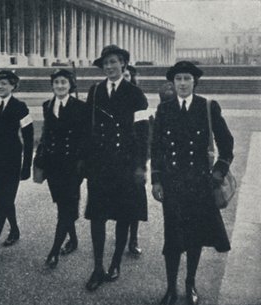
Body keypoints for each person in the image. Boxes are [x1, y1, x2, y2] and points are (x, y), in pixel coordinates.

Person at [151, 61, 233, 305]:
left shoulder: (207, 107)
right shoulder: (164, 109)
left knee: (195, 237)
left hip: (199, 184)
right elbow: (155, 148)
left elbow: (227, 145)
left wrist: (217, 174)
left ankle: (190, 283)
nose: (183, 83)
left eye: (187, 78)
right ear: (173, 83)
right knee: (173, 239)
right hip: (173, 184)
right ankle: (170, 288)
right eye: (178, 79)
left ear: (194, 82)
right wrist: (156, 180)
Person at [84, 45, 148, 291]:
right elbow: (87, 129)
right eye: (105, 64)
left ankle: (115, 263)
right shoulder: (95, 91)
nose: (109, 67)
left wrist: (141, 166)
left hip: (126, 164)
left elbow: (143, 134)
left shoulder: (135, 94)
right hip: (100, 165)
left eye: (113, 62)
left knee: (123, 215)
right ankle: (98, 266)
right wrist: (85, 161)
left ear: (123, 63)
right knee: (97, 217)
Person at [34, 69, 89, 269]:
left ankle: (54, 251)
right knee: (63, 205)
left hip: (72, 166)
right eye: (56, 82)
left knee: (66, 208)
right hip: (52, 165)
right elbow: (47, 133)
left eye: (63, 82)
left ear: (70, 85)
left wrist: (82, 162)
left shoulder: (80, 107)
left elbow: (85, 137)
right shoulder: (47, 105)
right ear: (52, 85)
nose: (59, 86)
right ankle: (73, 240)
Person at [0, 70, 34, 260]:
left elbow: (29, 139)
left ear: (13, 85)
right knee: (5, 200)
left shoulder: (20, 107)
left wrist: (27, 165)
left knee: (2, 202)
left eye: (4, 83)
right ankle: (14, 229)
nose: (0, 87)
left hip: (12, 162)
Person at [122, 65, 149, 256]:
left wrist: (141, 164)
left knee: (134, 199)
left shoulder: (138, 97)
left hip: (132, 156)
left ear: (131, 77)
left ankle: (133, 238)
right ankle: (122, 235)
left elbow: (144, 134)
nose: (123, 78)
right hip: (115, 157)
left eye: (126, 75)